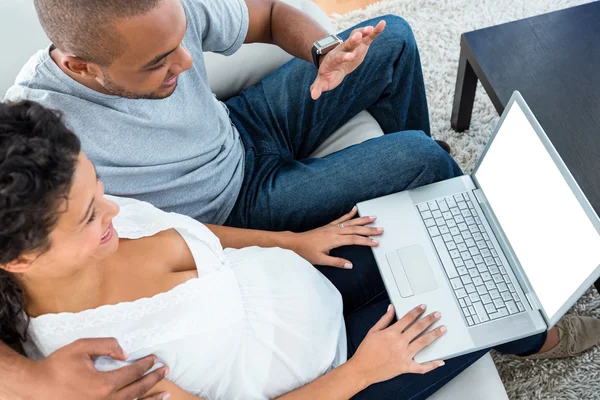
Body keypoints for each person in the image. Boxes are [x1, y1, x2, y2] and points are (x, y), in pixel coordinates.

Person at [5, 101, 600, 400]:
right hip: (335, 374)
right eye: (89, 215)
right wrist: (363, 371)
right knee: (481, 313)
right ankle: (540, 335)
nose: (113, 210)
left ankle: (532, 312)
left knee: (448, 234)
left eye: (99, 189)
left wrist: (298, 242)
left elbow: (196, 234)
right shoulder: (101, 371)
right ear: (20, 259)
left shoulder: (103, 218)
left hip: (299, 282)